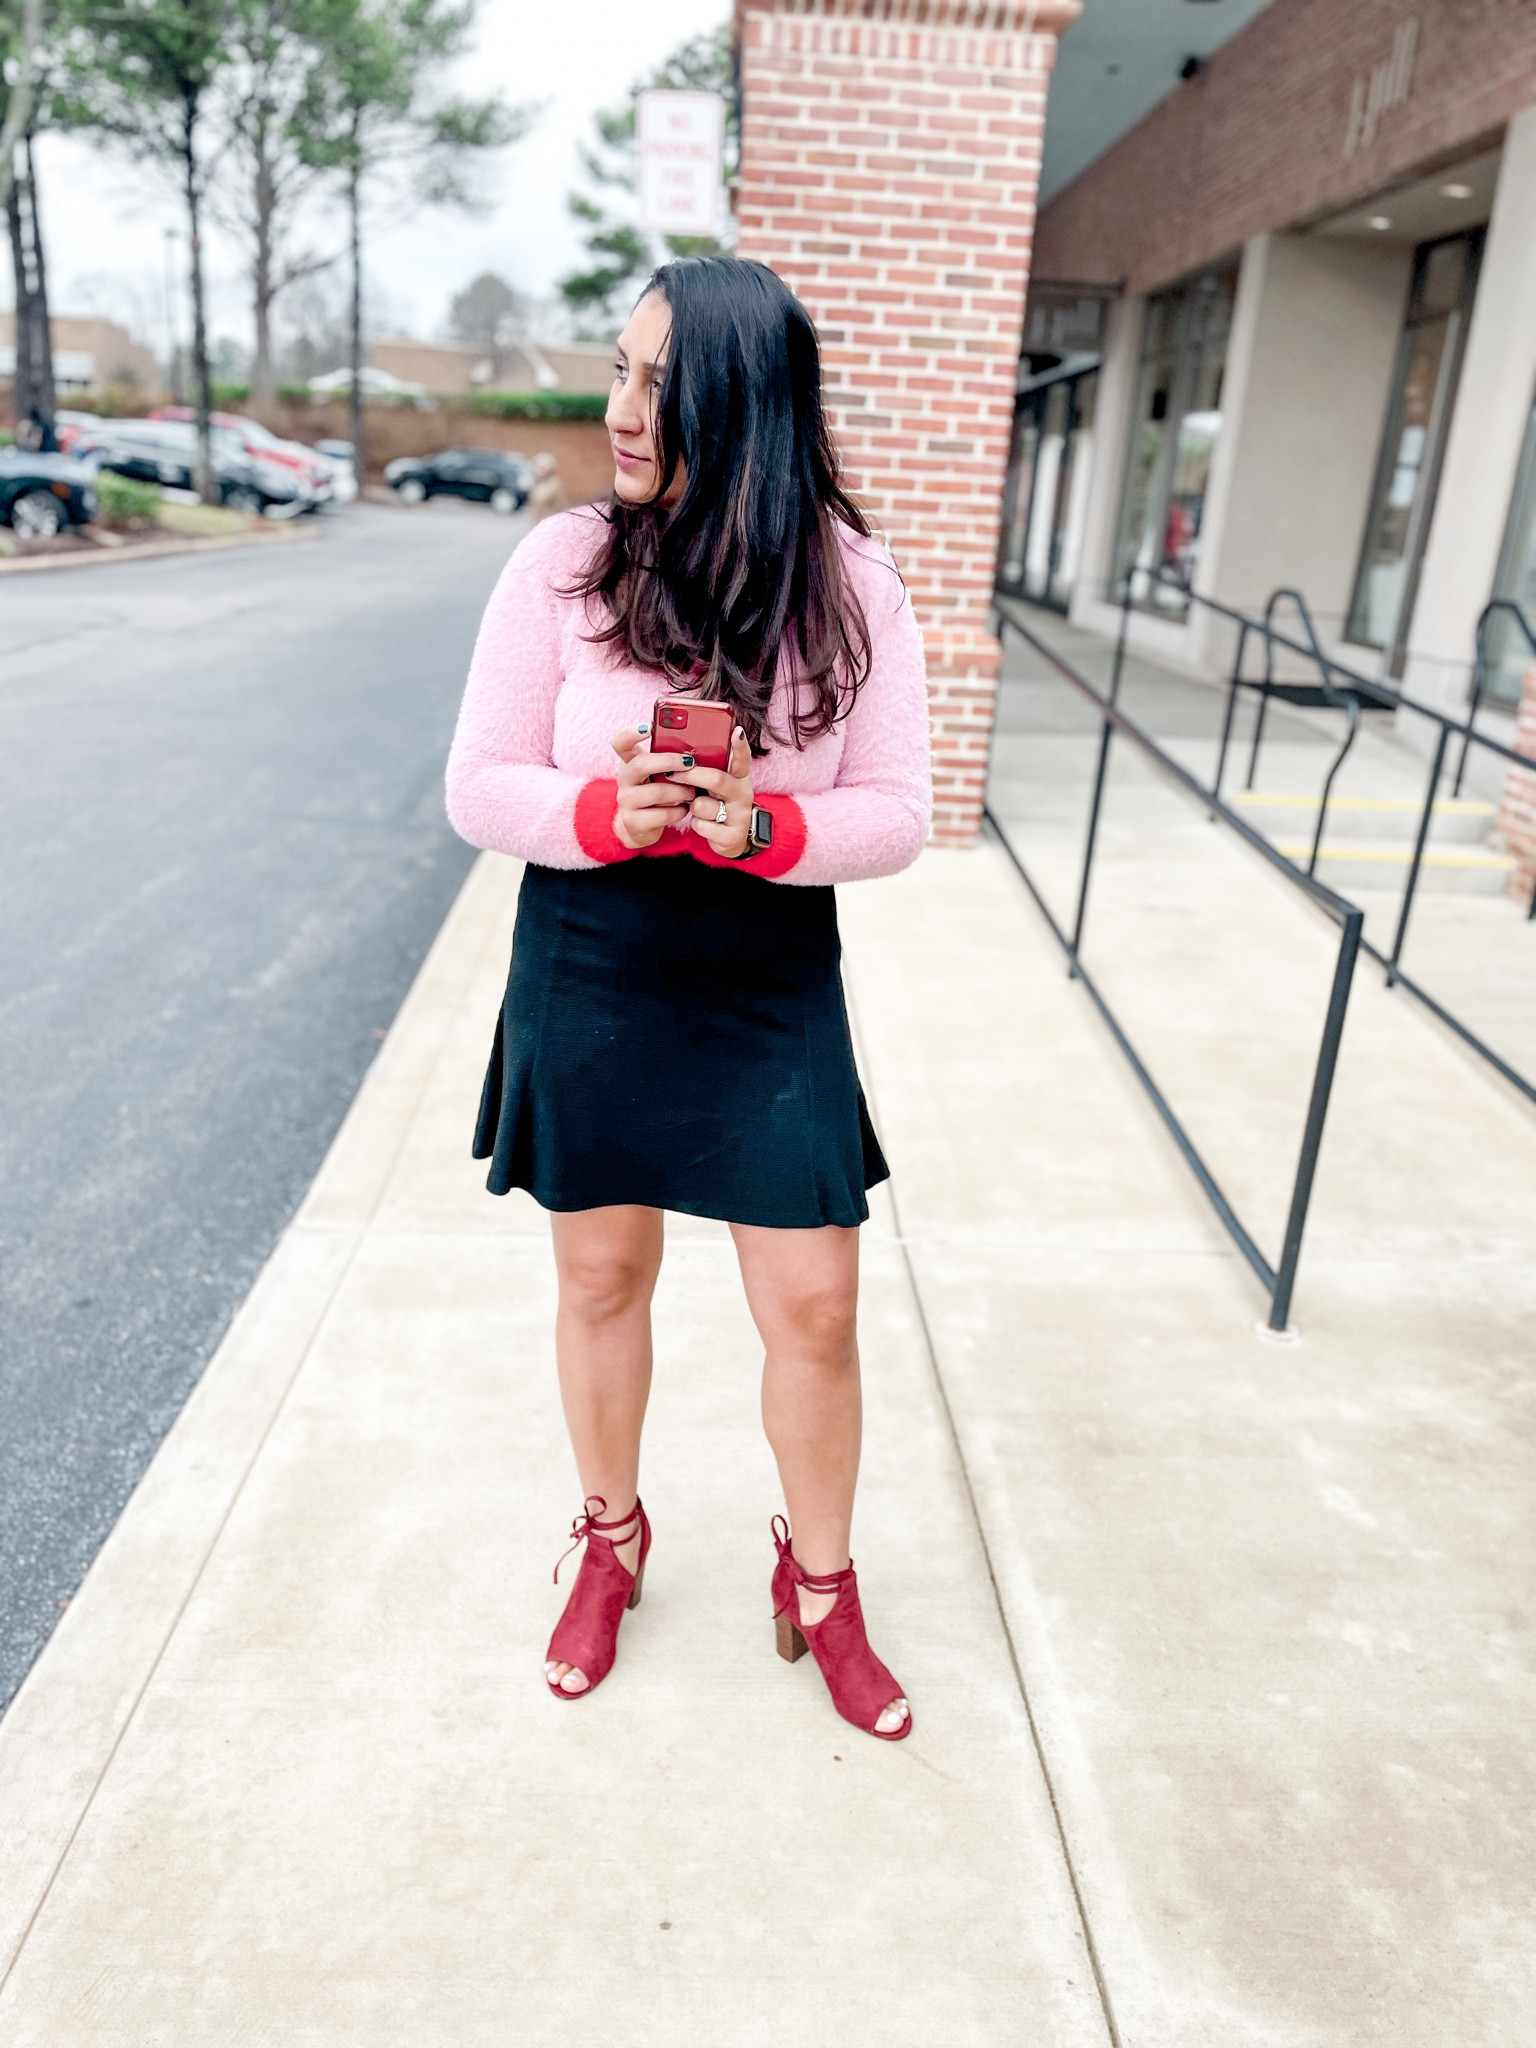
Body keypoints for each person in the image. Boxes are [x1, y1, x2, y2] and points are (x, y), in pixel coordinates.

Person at [445, 256, 931, 1742]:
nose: (622, 410)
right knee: (602, 1278)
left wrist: (763, 828)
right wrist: (603, 812)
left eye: (661, 384)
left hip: (763, 966)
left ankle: (822, 1584)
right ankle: (611, 1538)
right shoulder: (565, 563)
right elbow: (480, 784)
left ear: (747, 406)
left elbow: (897, 813)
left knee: (818, 1305)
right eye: (619, 371)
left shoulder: (850, 584)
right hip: (592, 952)